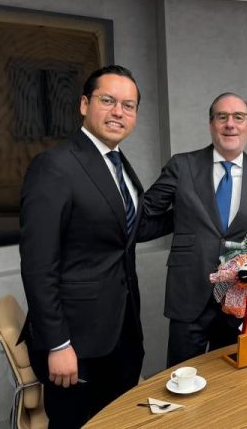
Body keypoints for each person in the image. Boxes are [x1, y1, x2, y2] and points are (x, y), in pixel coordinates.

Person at [19, 65, 171, 428]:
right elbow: (38, 265)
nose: (119, 112)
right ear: (84, 105)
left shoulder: (118, 163)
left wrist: (192, 213)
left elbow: (131, 228)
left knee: (117, 421)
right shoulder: (54, 166)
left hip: (121, 330)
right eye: (108, 101)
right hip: (76, 341)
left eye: (128, 105)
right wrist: (58, 345)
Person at [144, 92, 247, 367]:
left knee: (233, 378)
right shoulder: (182, 165)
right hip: (189, 291)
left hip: (238, 296)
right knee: (182, 375)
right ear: (211, 124)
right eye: (222, 117)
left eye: (239, 117)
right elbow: (146, 212)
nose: (230, 124)